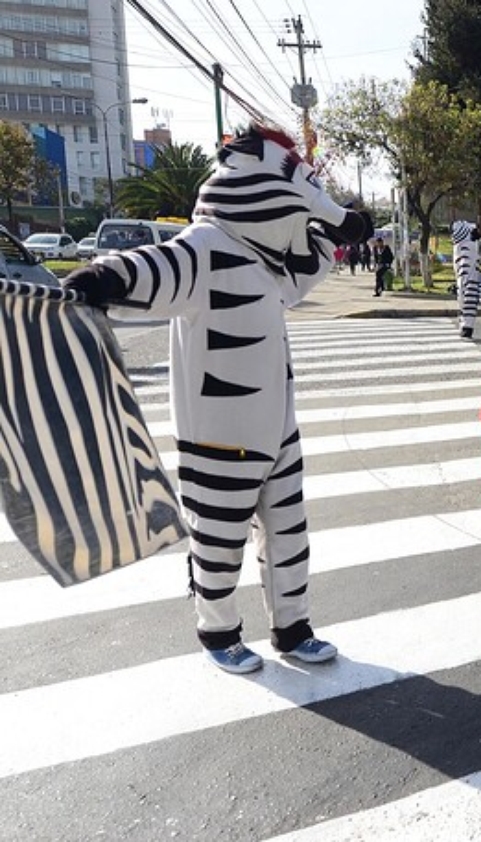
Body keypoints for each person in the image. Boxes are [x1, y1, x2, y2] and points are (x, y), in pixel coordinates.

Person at [62, 123, 364, 674]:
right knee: (219, 537)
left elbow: (311, 264)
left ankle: (292, 627)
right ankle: (218, 630)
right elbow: (156, 267)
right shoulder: (207, 246)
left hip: (279, 429)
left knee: (289, 532)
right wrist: (104, 278)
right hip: (219, 434)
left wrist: (334, 228)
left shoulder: (268, 262)